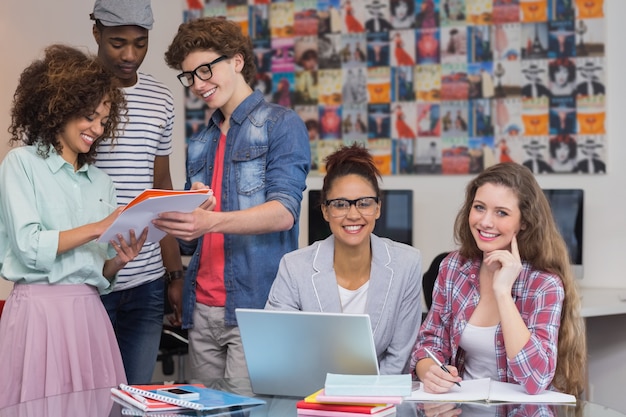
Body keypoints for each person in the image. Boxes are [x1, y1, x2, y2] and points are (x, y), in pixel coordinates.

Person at [157, 17, 310, 380]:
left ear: (237, 61)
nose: (197, 84)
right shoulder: (199, 142)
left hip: (257, 306)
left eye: (206, 70)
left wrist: (211, 220)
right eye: (189, 76)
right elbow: (191, 239)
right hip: (202, 309)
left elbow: (283, 212)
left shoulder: (281, 125)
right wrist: (175, 218)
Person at [0, 44, 148, 407]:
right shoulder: (21, 164)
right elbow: (30, 246)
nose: (96, 129)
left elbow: (98, 267)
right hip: (38, 314)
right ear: (60, 107)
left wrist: (119, 260)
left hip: (89, 314)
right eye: (89, 116)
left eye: (104, 120)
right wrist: (99, 227)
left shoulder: (102, 182)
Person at [410, 162, 586, 396]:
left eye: (501, 212)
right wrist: (429, 371)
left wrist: (503, 293)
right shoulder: (453, 267)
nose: (485, 222)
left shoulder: (544, 285)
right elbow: (428, 344)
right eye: (479, 207)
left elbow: (537, 379)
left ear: (524, 222)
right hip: (461, 408)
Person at [90, 0, 184, 384]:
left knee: (138, 398)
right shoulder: (74, 96)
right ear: (96, 32)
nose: (130, 55)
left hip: (146, 281)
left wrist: (174, 272)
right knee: (94, 399)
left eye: (140, 43)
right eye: (117, 42)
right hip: (92, 276)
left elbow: (161, 187)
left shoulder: (161, 99)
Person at [265, 143, 422, 374]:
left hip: (379, 397)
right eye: (340, 204)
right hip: (312, 390)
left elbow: (399, 357)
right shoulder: (294, 267)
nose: (353, 214)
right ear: (325, 211)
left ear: (378, 208)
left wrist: (367, 401)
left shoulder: (407, 263)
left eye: (364, 203)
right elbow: (277, 345)